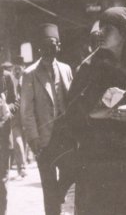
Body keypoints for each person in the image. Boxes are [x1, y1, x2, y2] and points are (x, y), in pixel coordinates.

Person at [66, 7, 126, 215]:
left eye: (108, 29)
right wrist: (95, 114)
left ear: (124, 32)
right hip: (98, 160)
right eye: (100, 28)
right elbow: (71, 115)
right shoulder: (89, 68)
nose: (100, 33)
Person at [21, 23, 73, 215]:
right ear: (40, 48)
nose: (49, 49)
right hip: (44, 138)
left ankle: (58, 194)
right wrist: (34, 140)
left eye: (53, 44)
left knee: (74, 169)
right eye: (45, 45)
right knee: (48, 185)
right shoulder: (30, 74)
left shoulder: (66, 69)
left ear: (59, 46)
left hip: (65, 136)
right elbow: (26, 111)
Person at [0, 63, 18, 215]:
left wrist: (7, 108)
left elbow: (16, 102)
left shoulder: (6, 76)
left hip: (3, 136)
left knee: (2, 180)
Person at [10, 56, 27, 178]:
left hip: (26, 113)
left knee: (23, 140)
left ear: (23, 68)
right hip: (16, 114)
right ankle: (22, 167)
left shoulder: (27, 79)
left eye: (19, 69)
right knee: (18, 139)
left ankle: (22, 165)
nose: (16, 72)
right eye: (15, 69)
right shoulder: (11, 81)